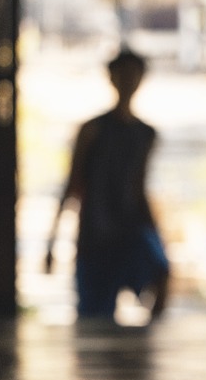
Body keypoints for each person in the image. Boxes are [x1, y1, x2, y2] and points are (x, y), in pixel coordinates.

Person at [44, 49, 169, 321]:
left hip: (130, 228)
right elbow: (73, 183)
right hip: (96, 233)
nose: (127, 81)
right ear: (111, 78)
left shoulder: (146, 134)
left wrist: (155, 234)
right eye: (122, 75)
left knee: (161, 271)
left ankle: (146, 348)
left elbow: (139, 186)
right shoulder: (92, 130)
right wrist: (52, 240)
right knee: (94, 317)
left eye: (133, 75)